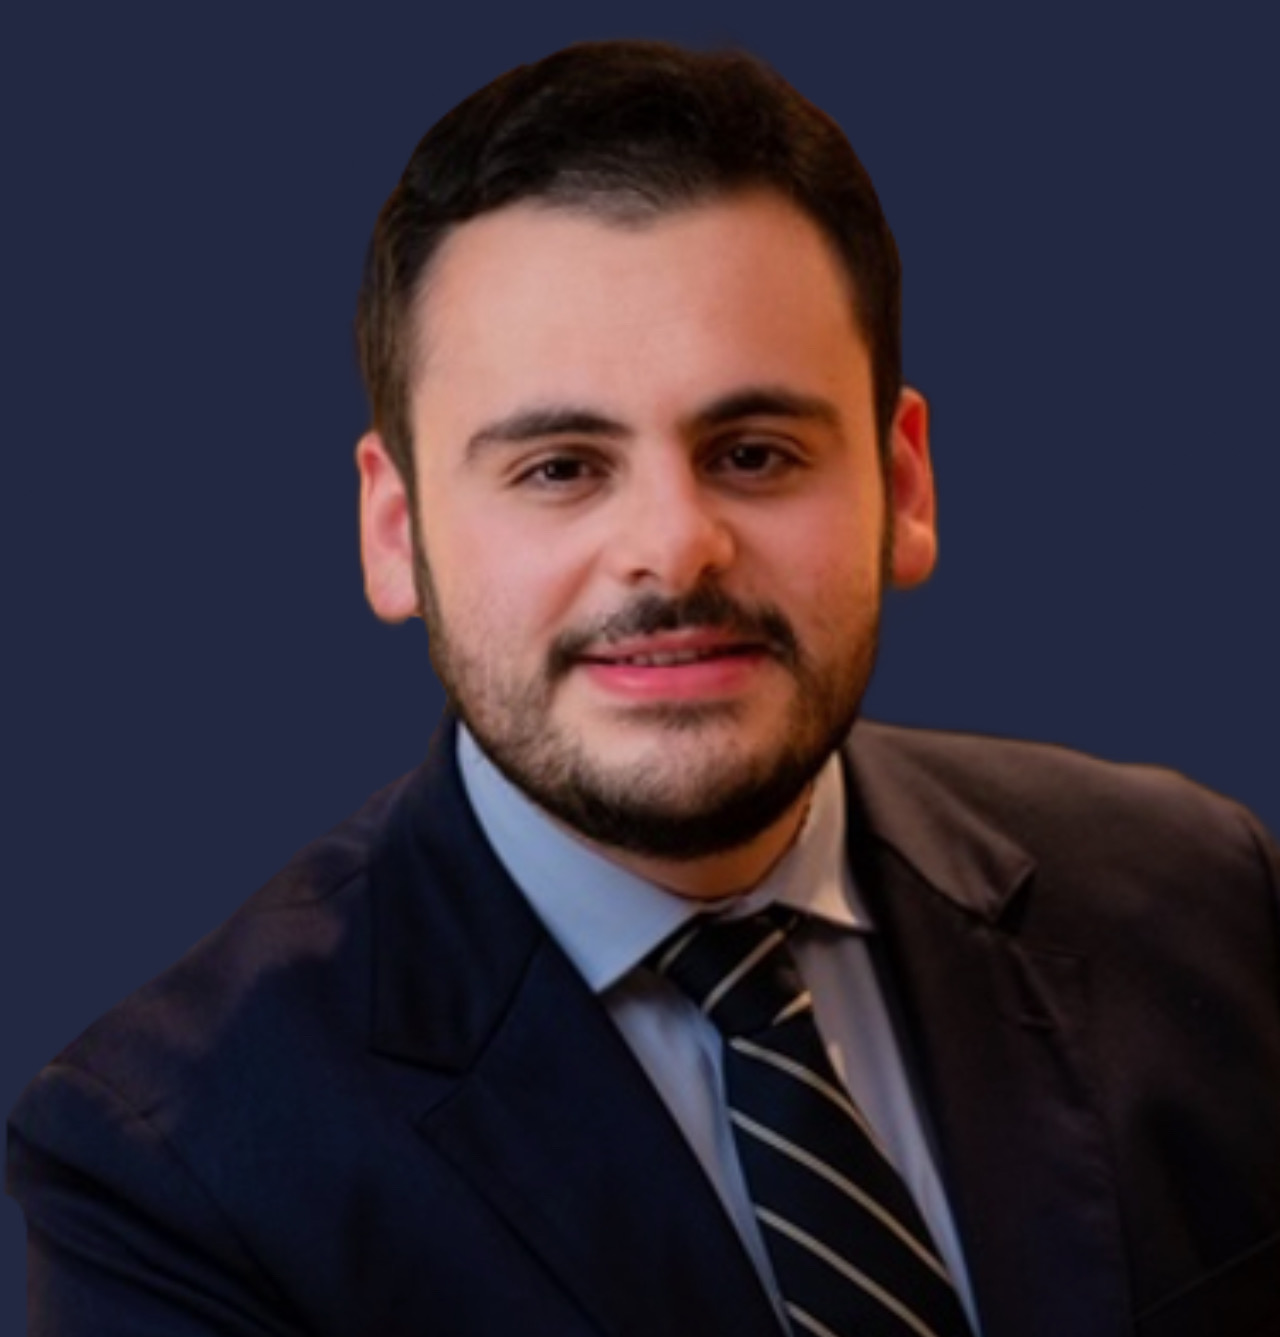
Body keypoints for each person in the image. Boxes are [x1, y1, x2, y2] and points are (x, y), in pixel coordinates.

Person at [7, 38, 1280, 1337]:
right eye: (560, 467)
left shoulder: (1205, 892)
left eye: (755, 452)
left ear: (905, 482)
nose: (674, 548)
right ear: (395, 530)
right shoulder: (171, 1161)